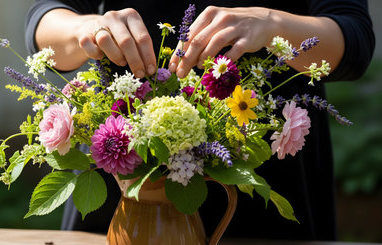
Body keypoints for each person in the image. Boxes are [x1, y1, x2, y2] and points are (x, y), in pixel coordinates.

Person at [25, 0, 375, 241]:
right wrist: (87, 28)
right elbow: (44, 19)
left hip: (264, 172)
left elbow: (353, 39)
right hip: (125, 174)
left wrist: (272, 24)